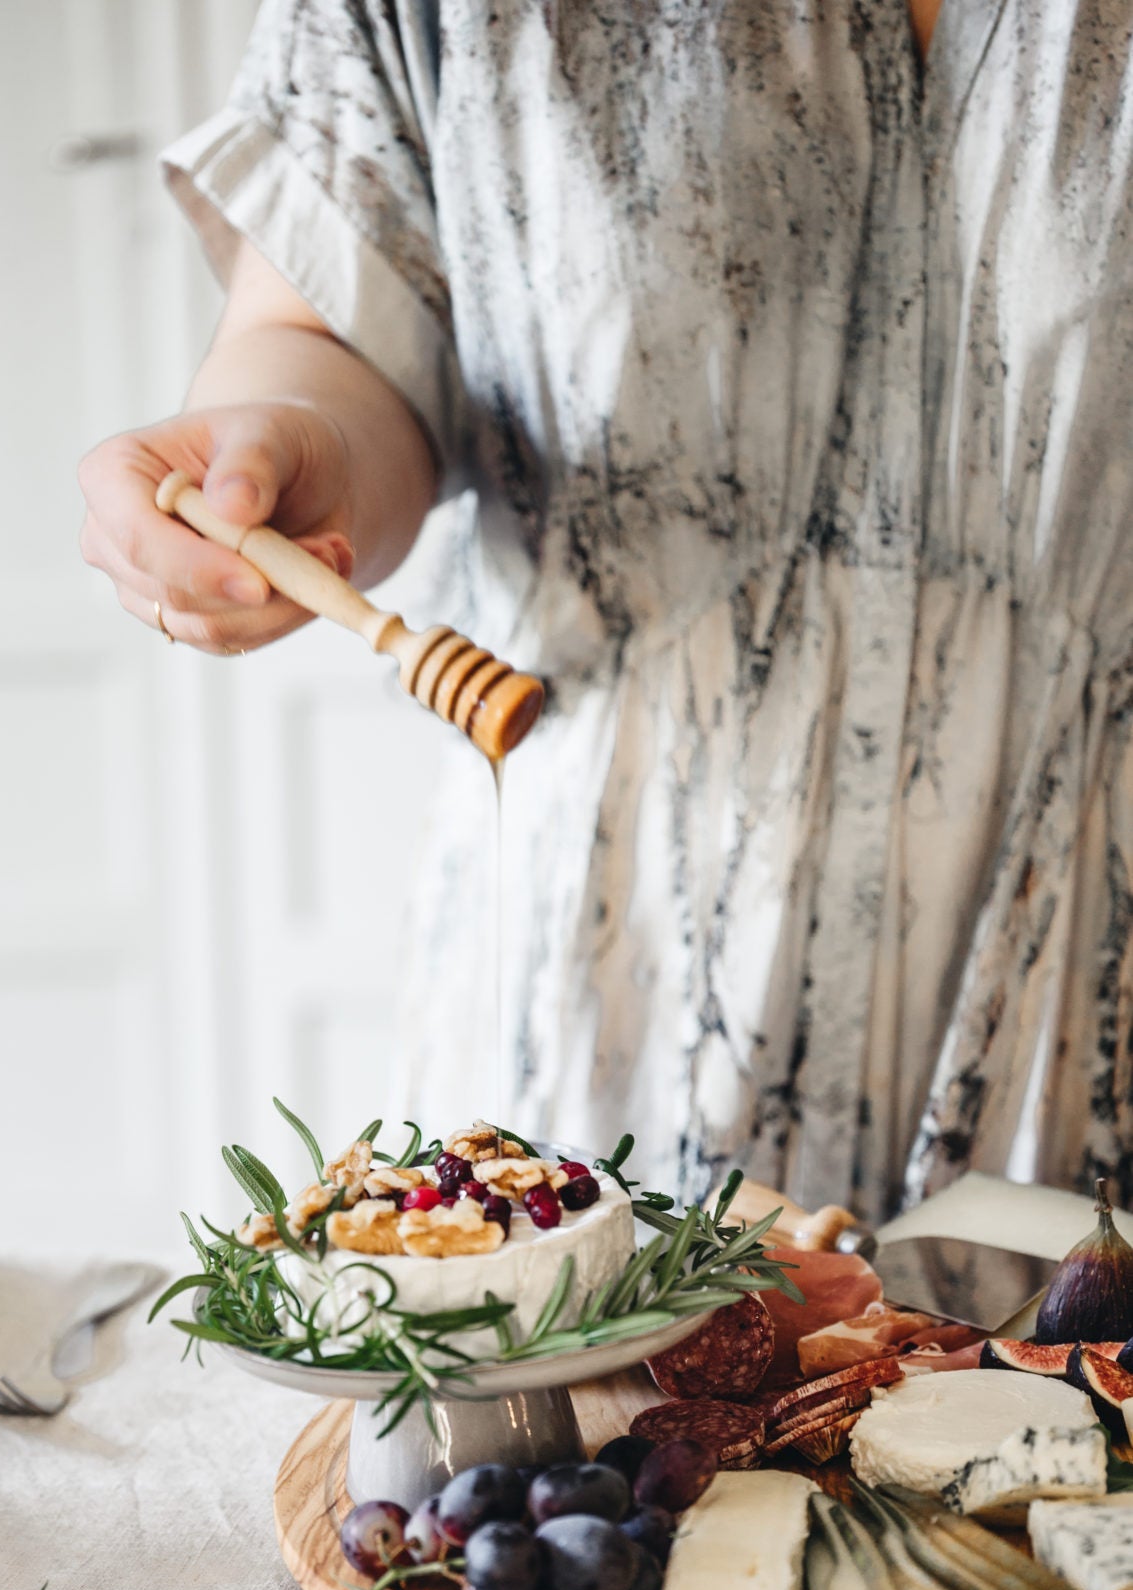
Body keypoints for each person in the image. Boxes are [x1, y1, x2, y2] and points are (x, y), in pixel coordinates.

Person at [79, 0, 1132, 1217]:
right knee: (575, 1331)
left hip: (1088, 994)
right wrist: (291, 440)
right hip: (608, 969)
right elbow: (328, 321)